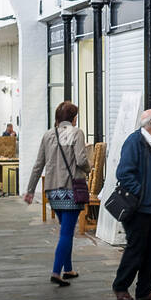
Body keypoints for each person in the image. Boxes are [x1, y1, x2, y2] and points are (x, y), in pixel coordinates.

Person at [24, 101, 90, 287]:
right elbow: (81, 159)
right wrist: (89, 168)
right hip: (71, 190)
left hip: (52, 191)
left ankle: (68, 269)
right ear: (73, 118)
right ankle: (56, 271)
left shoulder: (48, 135)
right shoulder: (76, 133)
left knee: (65, 229)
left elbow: (38, 165)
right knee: (67, 233)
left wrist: (30, 190)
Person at [111, 109, 151, 300]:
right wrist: (142, 194)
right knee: (136, 249)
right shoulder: (134, 142)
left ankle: (145, 290)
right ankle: (121, 287)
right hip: (139, 208)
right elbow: (124, 173)